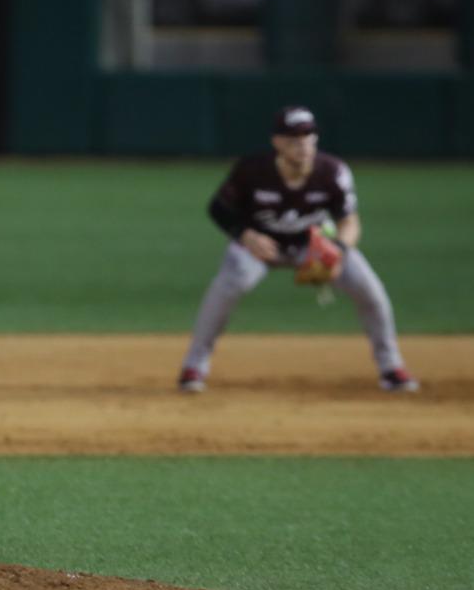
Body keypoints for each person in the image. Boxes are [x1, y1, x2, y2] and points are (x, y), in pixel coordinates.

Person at [176, 105, 419, 394]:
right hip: (261, 248)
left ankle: (391, 368)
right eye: (293, 138)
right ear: (277, 142)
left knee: (371, 291)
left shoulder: (332, 171)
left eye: (307, 136)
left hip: (313, 248)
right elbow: (217, 209)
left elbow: (350, 221)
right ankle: (194, 366)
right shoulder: (252, 170)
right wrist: (244, 235)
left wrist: (338, 250)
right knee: (229, 285)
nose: (302, 144)